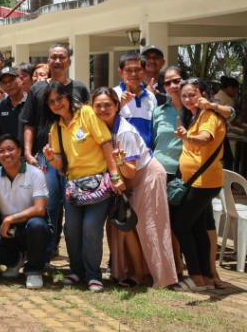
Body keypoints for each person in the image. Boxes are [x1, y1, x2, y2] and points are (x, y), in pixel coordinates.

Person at [92, 88, 177, 288]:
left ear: (116, 106)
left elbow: (130, 171)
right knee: (124, 227)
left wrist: (120, 163)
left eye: (108, 105)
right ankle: (132, 273)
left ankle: (161, 277)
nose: (103, 109)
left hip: (146, 176)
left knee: (149, 227)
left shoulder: (125, 133)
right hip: (126, 182)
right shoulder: (98, 127)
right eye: (98, 105)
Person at [42, 81, 122, 292]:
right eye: (52, 102)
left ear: (68, 97)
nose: (57, 104)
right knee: (71, 229)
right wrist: (51, 158)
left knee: (91, 228)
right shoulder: (56, 127)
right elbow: (60, 164)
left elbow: (106, 144)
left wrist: (114, 175)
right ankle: (78, 271)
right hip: (74, 186)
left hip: (99, 184)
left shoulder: (86, 113)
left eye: (60, 98)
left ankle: (94, 275)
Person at [20, 43, 92, 262]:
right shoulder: (37, 89)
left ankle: (77, 259)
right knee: (49, 207)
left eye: (62, 57)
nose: (57, 61)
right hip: (45, 159)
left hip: (76, 160)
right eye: (53, 57)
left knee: (74, 209)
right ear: (48, 61)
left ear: (69, 61)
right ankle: (47, 252)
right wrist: (28, 153)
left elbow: (88, 123)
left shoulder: (80, 89)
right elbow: (29, 123)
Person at [170, 79, 227, 291]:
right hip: (200, 182)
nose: (187, 99)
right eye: (184, 96)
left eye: (192, 95)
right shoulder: (197, 116)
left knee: (181, 226)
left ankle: (195, 277)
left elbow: (205, 139)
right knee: (198, 229)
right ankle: (206, 277)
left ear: (203, 94)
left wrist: (188, 137)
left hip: (202, 183)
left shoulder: (208, 116)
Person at [0, 135, 49, 289]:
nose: (6, 154)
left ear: (19, 151)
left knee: (38, 225)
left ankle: (34, 271)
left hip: (30, 227)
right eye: (1, 151)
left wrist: (10, 219)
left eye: (11, 149)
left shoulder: (35, 173)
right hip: (8, 231)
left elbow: (40, 209)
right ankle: (14, 262)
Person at [114, 51, 158, 147]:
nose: (133, 74)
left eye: (138, 69)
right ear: (121, 72)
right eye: (128, 70)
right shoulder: (114, 94)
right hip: (123, 156)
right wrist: (120, 106)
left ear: (145, 71)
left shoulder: (151, 97)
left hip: (147, 156)